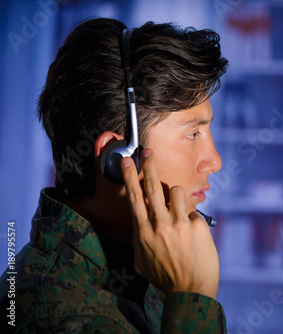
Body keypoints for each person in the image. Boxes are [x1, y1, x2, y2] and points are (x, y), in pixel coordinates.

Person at [0, 17, 229, 333]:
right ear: (118, 157)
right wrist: (194, 301)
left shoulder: (151, 266)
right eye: (193, 134)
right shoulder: (54, 318)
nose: (214, 161)